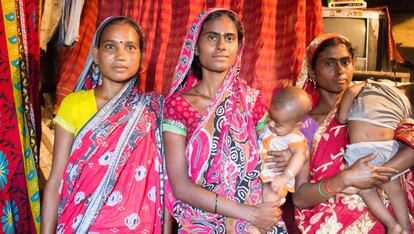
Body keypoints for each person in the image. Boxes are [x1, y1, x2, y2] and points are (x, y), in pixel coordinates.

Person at [163, 8, 284, 233]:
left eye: (229, 38)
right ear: (196, 47)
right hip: (201, 223)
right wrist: (249, 213)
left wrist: (265, 207)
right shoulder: (178, 106)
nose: (221, 45)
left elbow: (272, 157)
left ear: (238, 46)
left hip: (255, 223)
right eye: (212, 37)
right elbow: (180, 186)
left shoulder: (251, 101)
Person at [41, 16, 164, 233]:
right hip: (80, 225)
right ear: (95, 55)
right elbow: (56, 180)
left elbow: (164, 184)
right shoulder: (75, 104)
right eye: (110, 46)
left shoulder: (152, 110)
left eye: (130, 47)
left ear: (140, 56)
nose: (120, 55)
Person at [289, 33, 414, 233]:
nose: (339, 71)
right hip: (331, 222)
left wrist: (373, 175)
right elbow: (300, 198)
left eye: (345, 61)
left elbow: (411, 146)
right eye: (329, 63)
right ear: (312, 72)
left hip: (389, 216)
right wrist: (347, 178)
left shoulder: (374, 101)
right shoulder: (306, 125)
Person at [337, 80, 412, 233]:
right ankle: (405, 227)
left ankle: (391, 224)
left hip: (361, 151)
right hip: (389, 148)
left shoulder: (371, 84)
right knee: (395, 190)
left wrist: (342, 116)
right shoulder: (406, 105)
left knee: (366, 190)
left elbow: (350, 92)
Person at [259, 87, 311, 205]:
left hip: (275, 179)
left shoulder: (294, 138)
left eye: (277, 124)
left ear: (296, 126)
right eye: (270, 117)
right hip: (259, 172)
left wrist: (285, 176)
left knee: (268, 197)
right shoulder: (274, 124)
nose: (271, 124)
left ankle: (271, 209)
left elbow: (300, 155)